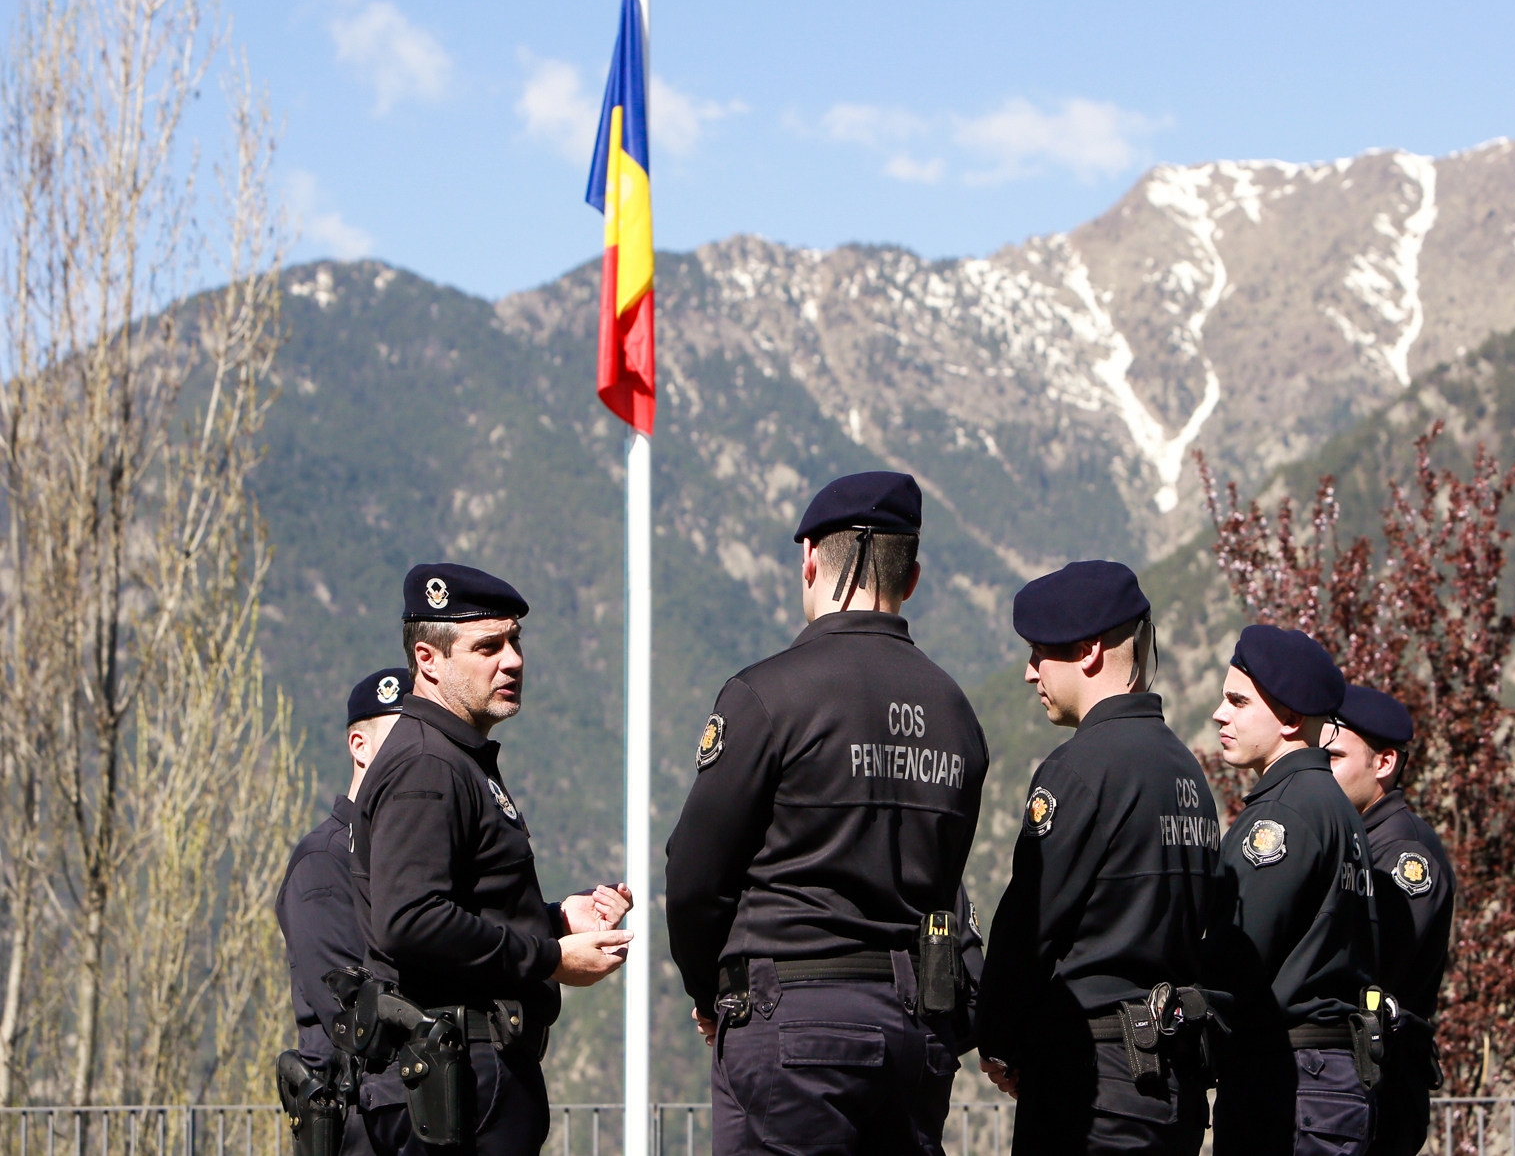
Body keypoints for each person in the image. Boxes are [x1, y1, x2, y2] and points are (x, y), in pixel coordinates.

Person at [664, 471, 990, 1156]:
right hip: (913, 1029)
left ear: (810, 557)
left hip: (792, 1020)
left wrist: (709, 991)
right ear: (915, 576)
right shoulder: (956, 713)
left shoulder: (766, 696)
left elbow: (695, 874)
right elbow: (946, 888)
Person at [351, 564, 634, 1156]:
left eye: (514, 642)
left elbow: (463, 905)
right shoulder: (427, 765)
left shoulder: (455, 759)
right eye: (487, 647)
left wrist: (557, 918)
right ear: (428, 659)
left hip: (472, 1075)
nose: (512, 661)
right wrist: (550, 957)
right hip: (455, 1081)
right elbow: (411, 919)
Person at [976, 560, 1220, 1156]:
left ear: (1087, 652)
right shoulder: (1187, 772)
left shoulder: (1080, 770)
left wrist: (997, 1038)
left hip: (1092, 1085)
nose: (1030, 673)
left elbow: (1028, 927)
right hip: (1173, 1084)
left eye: (1040, 653)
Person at [1204, 626, 1379, 1156]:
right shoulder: (1335, 806)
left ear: (1288, 719)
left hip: (1289, 1082)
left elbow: (1234, 961)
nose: (1219, 713)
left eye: (1237, 701)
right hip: (1328, 1079)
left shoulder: (1283, 815)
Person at [276, 668, 408, 1156]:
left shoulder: (401, 857)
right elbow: (351, 1010)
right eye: (398, 741)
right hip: (358, 1121)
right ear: (359, 746)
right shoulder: (325, 860)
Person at [1325, 687, 1455, 1156]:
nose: (1323, 770)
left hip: (1380, 1082)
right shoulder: (1356, 839)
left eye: (1335, 756)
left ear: (1383, 764)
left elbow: (1374, 964)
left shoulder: (1403, 853)